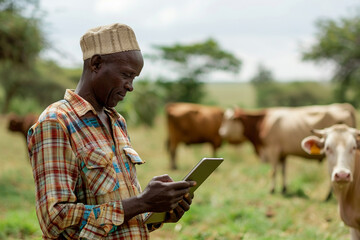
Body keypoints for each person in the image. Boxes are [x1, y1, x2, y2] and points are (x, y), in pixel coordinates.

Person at [27, 23, 196, 240]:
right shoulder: (56, 122)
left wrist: (158, 210)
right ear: (96, 64)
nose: (130, 86)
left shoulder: (117, 122)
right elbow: (55, 220)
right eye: (126, 75)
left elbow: (120, 214)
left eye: (134, 78)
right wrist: (142, 201)